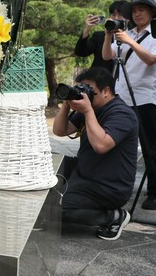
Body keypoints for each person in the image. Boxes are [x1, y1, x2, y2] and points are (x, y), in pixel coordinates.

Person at [53, 67, 139, 240]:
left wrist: (87, 111)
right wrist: (67, 103)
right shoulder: (93, 107)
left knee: (58, 210)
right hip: (85, 171)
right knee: (47, 164)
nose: (83, 94)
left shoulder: (122, 114)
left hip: (108, 185)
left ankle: (113, 217)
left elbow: (101, 145)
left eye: (88, 90)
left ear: (106, 91)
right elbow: (60, 130)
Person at [102, 0, 156, 210]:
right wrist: (108, 36)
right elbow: (107, 56)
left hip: (144, 98)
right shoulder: (126, 33)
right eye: (134, 10)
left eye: (142, 9)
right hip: (122, 96)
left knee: (149, 147)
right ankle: (115, 187)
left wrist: (130, 42)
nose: (137, 13)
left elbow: (150, 60)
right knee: (117, 144)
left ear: (151, 12)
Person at [73, 1, 128, 73]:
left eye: (120, 15)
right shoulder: (99, 36)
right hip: (101, 77)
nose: (116, 18)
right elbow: (80, 52)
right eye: (113, 15)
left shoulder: (132, 37)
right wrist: (87, 29)